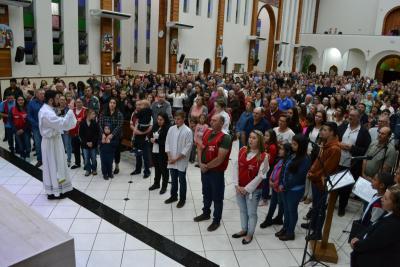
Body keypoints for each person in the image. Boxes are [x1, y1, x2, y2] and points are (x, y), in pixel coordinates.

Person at [194, 114, 232, 232]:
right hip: (204, 169)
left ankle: (216, 220)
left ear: (221, 123)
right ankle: (206, 213)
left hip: (216, 172)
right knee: (206, 192)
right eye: (211, 120)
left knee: (217, 196)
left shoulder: (225, 138)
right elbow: (200, 148)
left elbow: (220, 158)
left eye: (215, 120)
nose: (211, 122)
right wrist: (200, 163)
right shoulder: (207, 132)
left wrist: (207, 166)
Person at [305, 122, 342, 240]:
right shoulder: (325, 144)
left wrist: (313, 175)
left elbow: (327, 168)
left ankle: (317, 232)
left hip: (322, 182)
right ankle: (313, 224)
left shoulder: (335, 148)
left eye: (325, 130)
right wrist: (311, 170)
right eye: (321, 130)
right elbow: (318, 161)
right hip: (316, 179)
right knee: (315, 205)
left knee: (320, 207)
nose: (321, 132)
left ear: (332, 133)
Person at [232, 130, 269, 244]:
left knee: (251, 213)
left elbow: (261, 176)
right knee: (243, 210)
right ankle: (244, 229)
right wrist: (236, 185)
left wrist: (247, 189)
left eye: (254, 138)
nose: (250, 140)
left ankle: (249, 234)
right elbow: (235, 167)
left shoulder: (264, 156)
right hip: (239, 188)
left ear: (260, 141)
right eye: (250, 137)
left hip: (254, 191)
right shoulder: (242, 150)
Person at [38, 90, 77, 199]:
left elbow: (58, 121)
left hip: (54, 141)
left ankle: (59, 188)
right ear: (51, 100)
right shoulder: (47, 113)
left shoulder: (47, 109)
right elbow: (63, 123)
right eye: (56, 99)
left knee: (57, 164)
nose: (58, 101)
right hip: (51, 143)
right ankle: (54, 192)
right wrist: (70, 111)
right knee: (53, 165)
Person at [350, 185, 400, 267]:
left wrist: (356, 244)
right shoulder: (388, 212)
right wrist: (359, 236)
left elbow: (372, 242)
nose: (381, 199)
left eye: (386, 198)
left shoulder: (392, 224)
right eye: (383, 196)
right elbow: (372, 226)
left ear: (396, 204)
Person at [276, 134, 311, 241]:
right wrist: (281, 183)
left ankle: (290, 232)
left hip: (294, 190)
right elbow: (284, 169)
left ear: (301, 146)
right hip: (285, 187)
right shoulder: (292, 155)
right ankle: (285, 228)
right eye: (292, 143)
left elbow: (297, 178)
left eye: (295, 144)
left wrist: (285, 185)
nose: (292, 146)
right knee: (286, 210)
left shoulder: (305, 159)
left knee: (292, 211)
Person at [337, 109, 371, 216]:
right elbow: (334, 139)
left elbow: (365, 150)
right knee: (335, 184)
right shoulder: (342, 127)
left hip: (352, 165)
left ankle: (342, 206)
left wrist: (352, 148)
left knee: (346, 188)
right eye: (349, 115)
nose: (350, 117)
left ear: (358, 118)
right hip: (338, 161)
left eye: (353, 116)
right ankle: (331, 201)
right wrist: (339, 144)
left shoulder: (364, 132)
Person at [164, 111, 193, 208]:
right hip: (171, 159)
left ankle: (182, 199)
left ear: (183, 119)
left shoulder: (188, 131)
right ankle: (173, 196)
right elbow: (167, 142)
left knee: (182, 180)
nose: (176, 121)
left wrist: (175, 159)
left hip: (181, 160)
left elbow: (187, 149)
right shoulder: (171, 129)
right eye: (175, 119)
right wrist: (169, 156)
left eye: (179, 119)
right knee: (173, 179)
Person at [260, 143, 291, 228]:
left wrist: (276, 183)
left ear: (287, 152)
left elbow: (284, 175)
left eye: (282, 149)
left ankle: (279, 218)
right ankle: (269, 218)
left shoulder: (288, 162)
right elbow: (274, 171)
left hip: (279, 187)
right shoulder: (280, 160)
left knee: (281, 203)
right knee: (273, 203)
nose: (279, 151)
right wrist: (270, 179)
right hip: (274, 186)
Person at [99, 98, 124, 180]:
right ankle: (106, 171)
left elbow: (119, 126)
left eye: (114, 103)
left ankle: (116, 166)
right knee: (106, 154)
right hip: (105, 136)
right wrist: (103, 134)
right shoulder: (103, 113)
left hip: (115, 136)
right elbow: (100, 124)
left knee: (116, 152)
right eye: (111, 102)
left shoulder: (119, 114)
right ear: (108, 103)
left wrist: (112, 135)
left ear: (116, 105)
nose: (112, 104)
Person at [149, 112, 171, 194]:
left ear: (165, 120)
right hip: (154, 150)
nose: (159, 121)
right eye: (158, 119)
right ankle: (156, 183)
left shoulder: (168, 128)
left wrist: (156, 141)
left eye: (161, 120)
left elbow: (167, 142)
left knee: (164, 170)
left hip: (163, 152)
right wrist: (151, 139)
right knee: (157, 168)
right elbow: (150, 135)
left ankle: (164, 186)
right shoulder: (155, 125)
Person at [131, 100, 153, 178]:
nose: (138, 106)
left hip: (145, 138)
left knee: (146, 156)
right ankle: (138, 169)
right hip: (136, 136)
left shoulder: (148, 114)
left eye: (140, 105)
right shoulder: (134, 113)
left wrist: (141, 133)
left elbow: (150, 127)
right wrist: (134, 134)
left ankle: (147, 171)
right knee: (138, 154)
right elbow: (132, 125)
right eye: (137, 105)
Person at [79, 109, 100, 176]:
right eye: (93, 114)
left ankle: (94, 169)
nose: (94, 115)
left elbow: (96, 134)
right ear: (88, 114)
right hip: (85, 145)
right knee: (86, 158)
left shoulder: (95, 123)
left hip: (93, 144)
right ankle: (88, 169)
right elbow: (81, 135)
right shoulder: (82, 123)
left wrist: (92, 142)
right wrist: (86, 142)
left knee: (93, 158)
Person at [27, 89, 44, 167]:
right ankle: (40, 160)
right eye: (40, 94)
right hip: (36, 128)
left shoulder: (47, 103)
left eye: (43, 94)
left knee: (47, 143)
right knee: (38, 144)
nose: (42, 95)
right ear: (36, 95)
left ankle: (47, 159)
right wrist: (37, 124)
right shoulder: (31, 103)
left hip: (47, 127)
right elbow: (29, 116)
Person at [11, 96, 31, 161]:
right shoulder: (12, 109)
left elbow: (29, 121)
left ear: (24, 101)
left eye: (22, 100)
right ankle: (22, 155)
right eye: (19, 100)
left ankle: (27, 154)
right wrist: (15, 130)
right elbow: (10, 121)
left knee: (27, 143)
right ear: (17, 101)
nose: (20, 101)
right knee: (20, 144)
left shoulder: (27, 109)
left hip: (26, 129)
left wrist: (23, 129)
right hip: (16, 130)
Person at [69, 98, 87, 169]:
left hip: (83, 135)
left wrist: (81, 122)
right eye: (77, 102)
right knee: (76, 150)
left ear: (82, 103)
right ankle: (77, 163)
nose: (78, 104)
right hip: (73, 134)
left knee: (84, 150)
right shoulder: (72, 111)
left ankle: (86, 163)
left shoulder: (85, 110)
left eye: (80, 102)